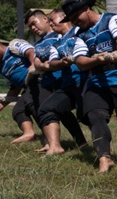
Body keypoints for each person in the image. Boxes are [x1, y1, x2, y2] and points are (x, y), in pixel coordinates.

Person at [61, 0, 117, 173]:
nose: (74, 22)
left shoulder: (111, 19)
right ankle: (104, 157)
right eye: (70, 20)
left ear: (87, 9)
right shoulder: (78, 35)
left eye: (76, 17)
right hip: (97, 82)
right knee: (94, 116)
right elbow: (81, 61)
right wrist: (99, 60)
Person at [36, 9, 88, 156]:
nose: (50, 24)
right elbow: (52, 63)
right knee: (46, 109)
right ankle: (55, 147)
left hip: (86, 82)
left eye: (53, 20)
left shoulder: (81, 32)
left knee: (89, 116)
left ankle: (103, 149)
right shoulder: (57, 43)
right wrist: (61, 63)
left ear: (64, 17)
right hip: (68, 86)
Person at [0, 36, 40, 144]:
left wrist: (33, 65)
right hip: (28, 89)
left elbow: (31, 51)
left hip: (39, 81)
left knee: (34, 107)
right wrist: (3, 104)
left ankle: (50, 139)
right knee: (18, 111)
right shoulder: (2, 68)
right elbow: (15, 88)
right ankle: (29, 133)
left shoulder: (13, 47)